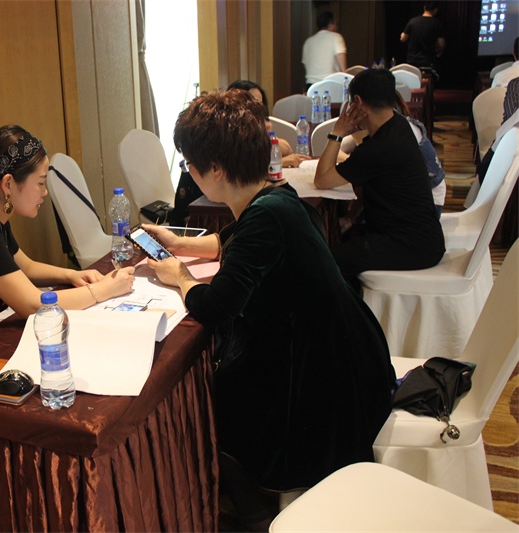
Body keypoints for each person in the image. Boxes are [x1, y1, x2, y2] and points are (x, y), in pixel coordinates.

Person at [143, 89, 395, 530]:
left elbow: (215, 307)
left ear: (215, 169)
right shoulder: (274, 197)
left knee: (214, 398)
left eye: (190, 164)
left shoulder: (265, 219)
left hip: (328, 380)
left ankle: (254, 510)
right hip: (343, 349)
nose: (189, 172)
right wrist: (180, 242)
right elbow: (237, 242)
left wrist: (179, 276)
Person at [0, 125, 135, 369]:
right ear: (8, 184)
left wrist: (72, 275)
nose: (45, 192)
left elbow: (25, 267)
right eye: (40, 183)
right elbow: (32, 304)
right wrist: (104, 290)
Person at [314, 68, 445, 290]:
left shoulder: (380, 147)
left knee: (322, 263)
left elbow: (322, 179)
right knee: (343, 241)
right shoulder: (398, 125)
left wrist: (338, 132)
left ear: (357, 102)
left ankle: (347, 310)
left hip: (409, 246)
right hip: (420, 238)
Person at [228, 80, 309, 168]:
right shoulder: (229, 129)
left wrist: (267, 140)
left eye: (260, 103)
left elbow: (286, 149)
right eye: (253, 103)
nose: (258, 108)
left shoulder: (258, 125)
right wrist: (280, 162)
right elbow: (243, 167)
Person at [301, 11, 347, 89]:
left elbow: (305, 64)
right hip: (330, 84)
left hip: (311, 86)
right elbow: (343, 68)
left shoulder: (308, 42)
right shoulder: (336, 37)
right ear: (331, 23)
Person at [400, 1, 445, 71]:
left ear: (424, 7)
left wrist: (402, 35)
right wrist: (439, 53)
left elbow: (403, 39)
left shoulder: (412, 21)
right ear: (436, 10)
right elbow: (441, 44)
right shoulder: (437, 24)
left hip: (412, 62)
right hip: (428, 62)